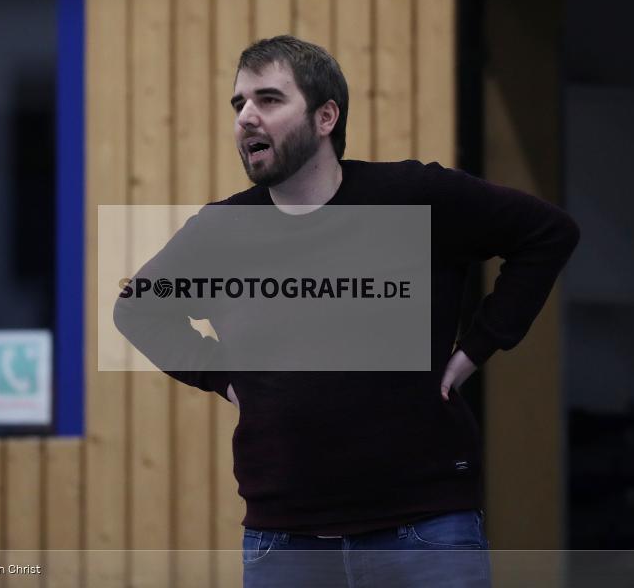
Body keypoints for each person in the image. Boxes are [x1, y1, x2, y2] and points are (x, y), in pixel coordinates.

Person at [114, 35, 580, 587]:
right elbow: (138, 309)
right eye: (238, 103)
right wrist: (223, 375)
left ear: (325, 115)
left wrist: (479, 346)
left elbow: (547, 233)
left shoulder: (412, 197)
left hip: (425, 531)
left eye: (268, 99)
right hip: (284, 542)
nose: (245, 117)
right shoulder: (223, 230)